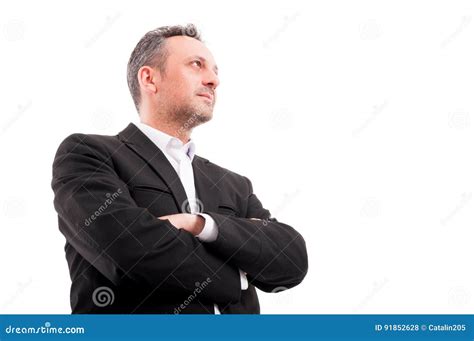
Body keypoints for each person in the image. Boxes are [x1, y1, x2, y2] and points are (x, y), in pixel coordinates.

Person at [51, 24, 308, 314]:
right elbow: (129, 251)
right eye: (196, 65)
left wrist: (200, 224)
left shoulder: (234, 184)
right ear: (149, 79)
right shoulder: (88, 154)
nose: (213, 80)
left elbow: (291, 260)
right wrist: (238, 276)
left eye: (215, 71)